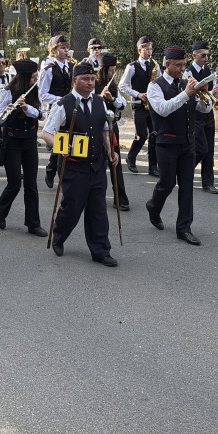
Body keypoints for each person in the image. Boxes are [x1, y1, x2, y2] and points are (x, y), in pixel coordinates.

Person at [42, 63, 119, 267]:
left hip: (96, 165)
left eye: (93, 79)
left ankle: (101, 250)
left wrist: (111, 151)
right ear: (75, 81)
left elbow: (104, 130)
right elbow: (47, 133)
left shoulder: (101, 102)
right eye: (85, 79)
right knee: (72, 207)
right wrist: (60, 146)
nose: (90, 83)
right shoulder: (63, 104)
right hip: (73, 166)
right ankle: (59, 236)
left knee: (98, 209)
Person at [145, 46, 212, 246]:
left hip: (187, 143)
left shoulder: (185, 83)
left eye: (184, 65)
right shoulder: (154, 86)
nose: (183, 69)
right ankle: (153, 207)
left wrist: (206, 95)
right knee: (167, 184)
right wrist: (186, 93)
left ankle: (184, 228)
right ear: (167, 65)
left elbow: (204, 109)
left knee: (187, 186)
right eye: (178, 65)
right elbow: (163, 110)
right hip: (166, 142)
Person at [0, 58, 47, 237]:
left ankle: (33, 224)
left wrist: (27, 108)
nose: (35, 79)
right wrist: (6, 112)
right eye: (32, 77)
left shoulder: (36, 90)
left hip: (30, 141)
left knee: (31, 184)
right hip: (12, 142)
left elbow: (41, 115)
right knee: (15, 182)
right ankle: (0, 210)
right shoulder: (8, 91)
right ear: (24, 78)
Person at [119, 36, 161, 176]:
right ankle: (131, 157)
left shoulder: (155, 65)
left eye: (150, 49)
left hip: (152, 105)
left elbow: (160, 83)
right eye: (146, 49)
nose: (149, 52)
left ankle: (153, 167)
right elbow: (122, 86)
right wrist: (137, 94)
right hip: (138, 104)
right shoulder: (131, 66)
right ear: (139, 50)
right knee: (141, 135)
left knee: (154, 135)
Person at [186, 40, 218, 195]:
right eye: (203, 55)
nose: (206, 58)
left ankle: (208, 183)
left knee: (210, 150)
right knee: (201, 149)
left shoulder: (210, 71)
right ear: (194, 55)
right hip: (195, 116)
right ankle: (184, 172)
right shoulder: (188, 73)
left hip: (209, 115)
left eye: (208, 55)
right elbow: (190, 97)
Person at [38, 35, 74, 188]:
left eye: (67, 47)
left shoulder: (71, 66)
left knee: (68, 139)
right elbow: (42, 94)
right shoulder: (48, 70)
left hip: (71, 107)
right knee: (60, 140)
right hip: (57, 108)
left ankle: (56, 168)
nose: (66, 50)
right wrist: (61, 99)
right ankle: (53, 169)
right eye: (62, 48)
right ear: (54, 51)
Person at [95, 53, 130, 211]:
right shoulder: (93, 83)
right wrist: (99, 98)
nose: (113, 74)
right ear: (103, 70)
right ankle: (97, 196)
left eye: (114, 70)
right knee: (98, 163)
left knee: (115, 161)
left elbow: (121, 105)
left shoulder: (113, 85)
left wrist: (111, 99)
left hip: (111, 127)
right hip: (95, 128)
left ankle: (120, 198)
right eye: (111, 71)